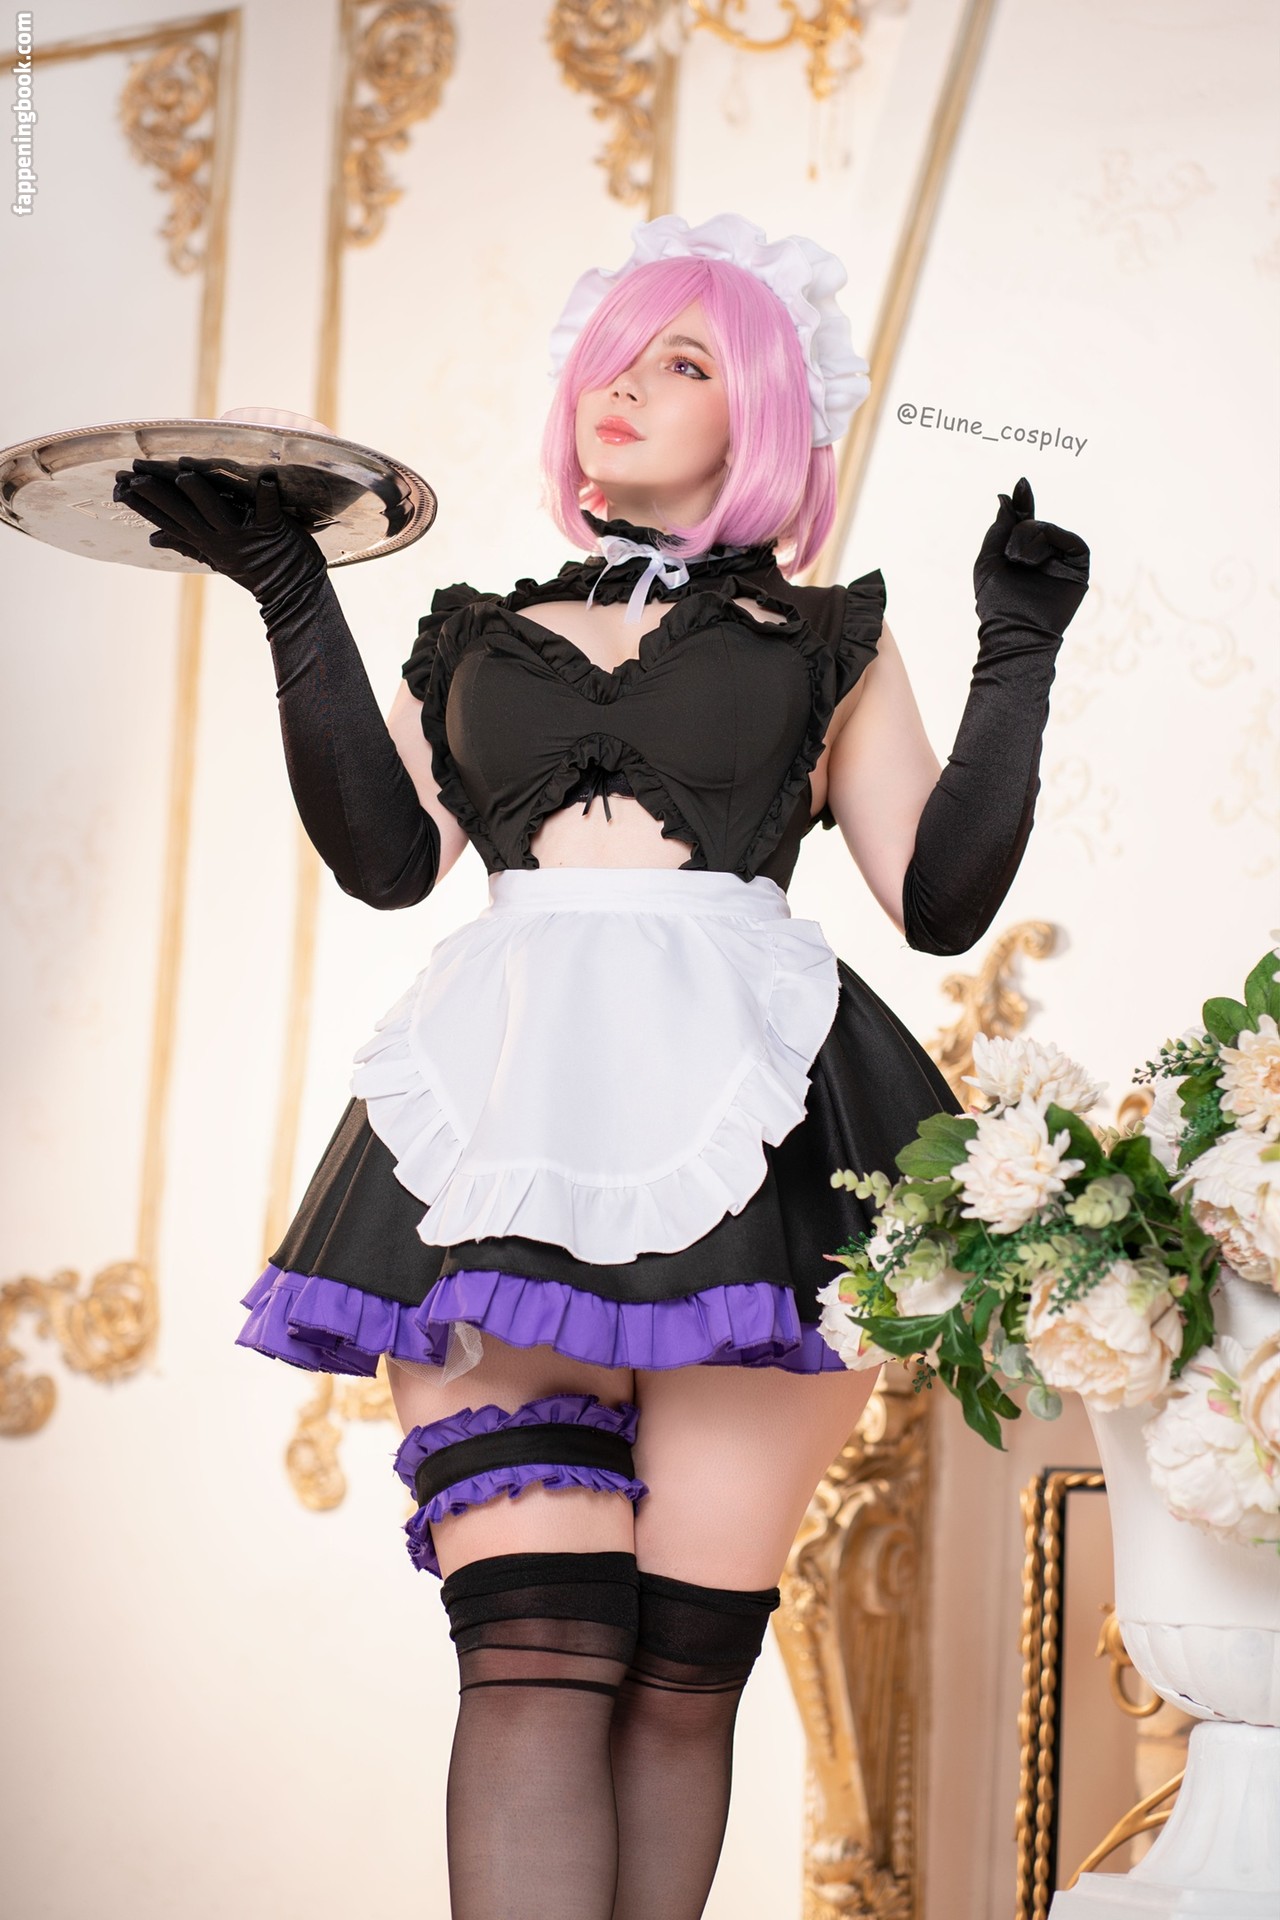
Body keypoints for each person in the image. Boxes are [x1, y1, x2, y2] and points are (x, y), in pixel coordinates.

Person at [114, 212, 1089, 1920]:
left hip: (767, 1145)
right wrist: (290, 596)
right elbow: (388, 860)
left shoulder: (826, 637)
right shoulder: (475, 634)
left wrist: (1019, 653)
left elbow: (937, 898)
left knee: (678, 1675)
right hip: (500, 1131)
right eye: (614, 356)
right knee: (530, 1652)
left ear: (763, 414)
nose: (620, 386)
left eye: (683, 362)